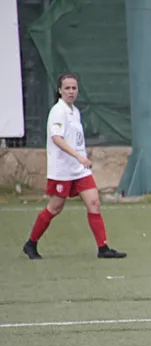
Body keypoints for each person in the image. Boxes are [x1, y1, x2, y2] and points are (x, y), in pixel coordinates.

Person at [22, 73, 126, 260]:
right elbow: (57, 138)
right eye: (67, 88)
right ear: (60, 90)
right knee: (55, 207)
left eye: (74, 88)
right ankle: (31, 243)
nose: (71, 91)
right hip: (62, 170)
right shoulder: (58, 111)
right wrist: (78, 156)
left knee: (94, 203)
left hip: (80, 170)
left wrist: (81, 158)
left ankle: (103, 248)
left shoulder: (75, 112)